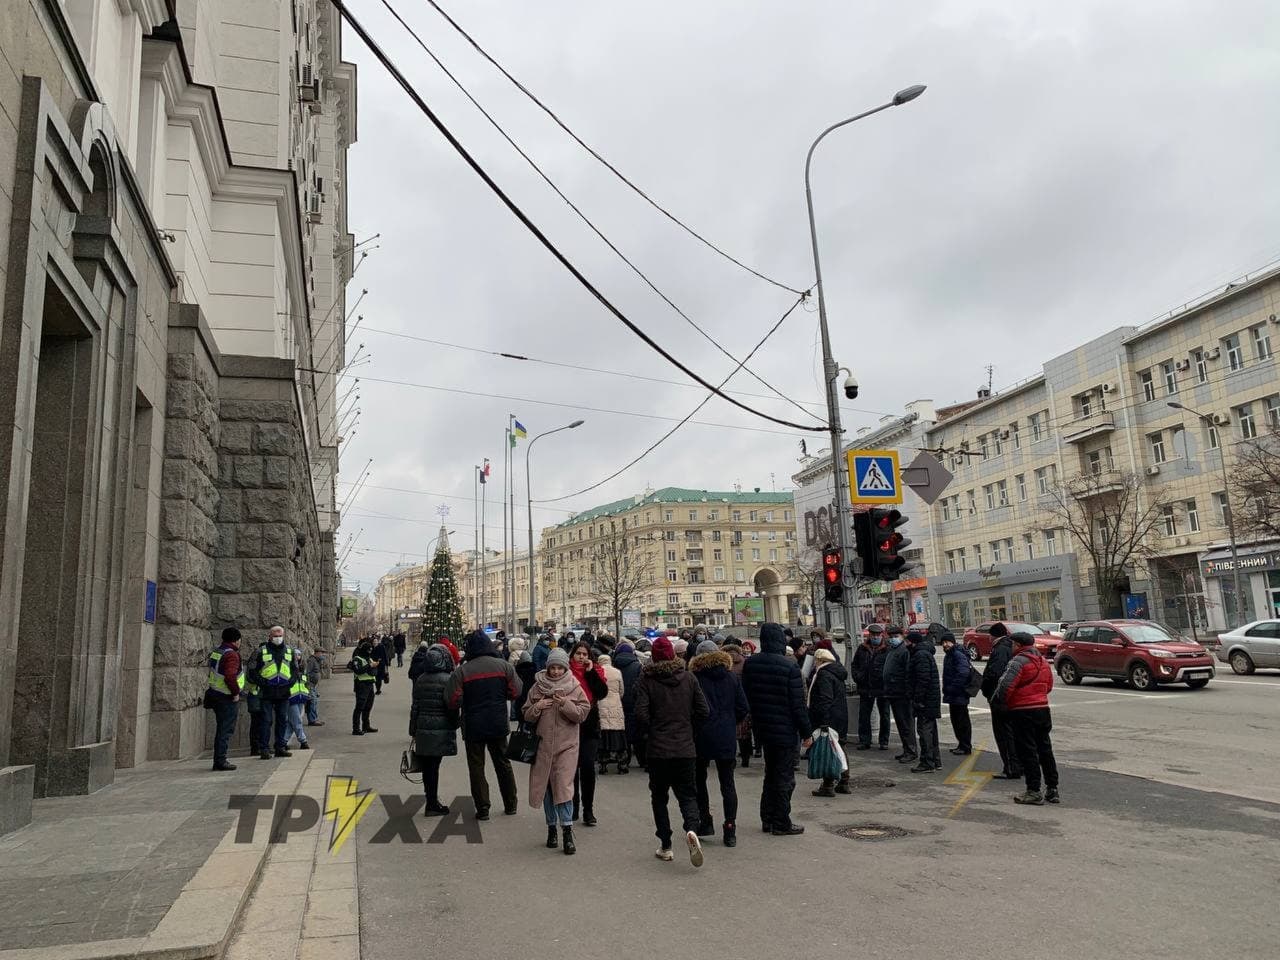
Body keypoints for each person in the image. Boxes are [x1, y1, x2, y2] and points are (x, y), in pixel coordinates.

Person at [635, 636, 710, 866]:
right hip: (685, 748)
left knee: (659, 797)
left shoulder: (647, 679)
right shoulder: (688, 677)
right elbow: (703, 711)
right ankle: (692, 828)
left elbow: (641, 714)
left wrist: (652, 730)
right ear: (673, 655)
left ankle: (666, 844)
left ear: (654, 657)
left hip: (658, 750)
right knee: (688, 794)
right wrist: (689, 729)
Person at [741, 623, 812, 836]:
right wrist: (807, 732)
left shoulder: (751, 664)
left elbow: (747, 696)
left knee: (770, 774)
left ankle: (768, 818)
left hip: (762, 728)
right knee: (784, 777)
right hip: (785, 730)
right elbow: (798, 705)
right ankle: (781, 822)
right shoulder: (789, 667)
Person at [445, 630, 522, 820]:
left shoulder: (462, 671)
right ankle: (511, 804)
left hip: (473, 725)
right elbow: (516, 692)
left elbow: (452, 700)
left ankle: (483, 808)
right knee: (503, 764)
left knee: (476, 767)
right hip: (497, 722)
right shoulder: (504, 666)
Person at [524, 648, 591, 855]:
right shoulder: (537, 687)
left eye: (559, 668)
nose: (555, 671)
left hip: (567, 746)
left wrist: (565, 703)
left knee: (563, 787)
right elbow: (526, 714)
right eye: (552, 667)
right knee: (547, 789)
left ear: (565, 668)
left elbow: (582, 714)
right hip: (543, 747)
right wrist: (538, 706)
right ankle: (551, 828)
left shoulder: (574, 686)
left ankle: (567, 832)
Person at [690, 639, 748, 847]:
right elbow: (742, 707)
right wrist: (730, 722)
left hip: (701, 735)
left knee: (699, 780)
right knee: (728, 783)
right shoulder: (731, 677)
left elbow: (690, 708)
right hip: (725, 734)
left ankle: (705, 820)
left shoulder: (694, 678)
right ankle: (730, 828)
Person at [993, 632, 1059, 804]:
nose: (1011, 647)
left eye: (1012, 644)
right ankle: (1052, 788)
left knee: (1028, 751)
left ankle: (1033, 790)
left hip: (1022, 711)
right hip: (1042, 709)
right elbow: (1048, 686)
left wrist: (1001, 703)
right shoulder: (1043, 661)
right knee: (1045, 749)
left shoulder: (1017, 662)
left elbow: (1005, 686)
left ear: (1018, 645)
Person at [410, 645, 460, 816]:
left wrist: (413, 729)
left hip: (423, 726)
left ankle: (431, 800)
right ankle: (432, 804)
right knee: (434, 766)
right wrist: (455, 723)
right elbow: (452, 706)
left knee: (428, 766)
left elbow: (415, 706)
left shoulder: (421, 679)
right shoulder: (449, 679)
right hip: (441, 727)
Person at [567, 641, 609, 825]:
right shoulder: (566, 672)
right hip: (570, 724)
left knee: (587, 766)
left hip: (590, 724)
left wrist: (591, 672)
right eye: (579, 653)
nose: (582, 657)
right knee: (572, 768)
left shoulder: (596, 671)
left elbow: (601, 693)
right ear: (573, 655)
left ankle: (588, 810)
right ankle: (573, 807)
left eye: (585, 654)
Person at [980, 622, 1023, 780]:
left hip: (999, 698)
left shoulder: (999, 649)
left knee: (1004, 734)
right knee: (1013, 732)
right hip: (1010, 698)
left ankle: (1011, 767)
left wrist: (986, 689)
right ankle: (1019, 765)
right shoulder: (1010, 647)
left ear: (993, 635)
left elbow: (995, 674)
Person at [808, 647, 851, 796]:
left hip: (829, 718)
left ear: (820, 660)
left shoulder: (823, 674)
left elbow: (825, 699)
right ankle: (844, 782)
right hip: (840, 716)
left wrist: (823, 721)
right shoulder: (836, 673)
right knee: (840, 746)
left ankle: (827, 785)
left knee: (828, 749)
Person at [248, 626, 295, 759]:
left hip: (284, 692)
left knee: (282, 720)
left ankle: (280, 747)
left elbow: (295, 670)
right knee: (266, 721)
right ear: (269, 636)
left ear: (283, 636)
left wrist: (290, 683)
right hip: (266, 693)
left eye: (280, 636)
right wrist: (264, 683)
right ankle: (264, 749)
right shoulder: (260, 651)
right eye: (275, 636)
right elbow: (252, 671)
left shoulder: (290, 651)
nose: (278, 638)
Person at [204, 627, 242, 771]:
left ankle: (219, 759)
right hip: (226, 696)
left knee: (221, 728)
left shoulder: (218, 651)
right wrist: (235, 692)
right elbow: (230, 676)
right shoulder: (232, 654)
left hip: (215, 693)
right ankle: (220, 760)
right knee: (225, 730)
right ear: (237, 640)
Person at [905, 628, 941, 772]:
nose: (906, 644)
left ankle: (927, 762)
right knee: (931, 731)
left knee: (925, 731)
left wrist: (918, 699)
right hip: (929, 699)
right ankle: (935, 761)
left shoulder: (920, 655)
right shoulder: (922, 653)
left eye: (907, 641)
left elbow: (922, 679)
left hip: (925, 700)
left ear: (913, 643)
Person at [882, 625, 917, 764]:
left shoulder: (904, 651)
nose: (893, 639)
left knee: (906, 724)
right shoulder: (893, 650)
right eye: (891, 637)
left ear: (902, 637)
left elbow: (907, 673)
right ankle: (906, 749)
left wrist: (906, 690)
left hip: (901, 693)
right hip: (893, 693)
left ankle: (911, 751)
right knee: (901, 724)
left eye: (896, 636)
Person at [854, 624, 891, 751]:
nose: (875, 637)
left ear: (882, 635)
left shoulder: (887, 649)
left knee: (884, 714)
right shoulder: (862, 648)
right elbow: (855, 664)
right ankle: (865, 740)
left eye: (877, 635)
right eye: (873, 635)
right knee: (864, 715)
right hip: (866, 686)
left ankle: (884, 741)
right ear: (869, 635)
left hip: (882, 687)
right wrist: (857, 677)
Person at [595, 654, 628, 775]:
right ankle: (622, 764)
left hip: (601, 704)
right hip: (616, 706)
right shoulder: (617, 672)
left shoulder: (597, 672)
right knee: (619, 736)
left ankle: (603, 764)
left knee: (604, 737)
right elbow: (621, 691)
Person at [722, 639, 753, 768]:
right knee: (744, 731)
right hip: (743, 698)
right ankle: (746, 757)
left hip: (726, 700)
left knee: (729, 732)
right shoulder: (745, 661)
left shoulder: (723, 662)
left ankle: (730, 758)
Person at [941, 631, 973, 755]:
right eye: (943, 643)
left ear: (953, 642)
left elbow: (963, 673)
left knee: (961, 721)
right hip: (954, 695)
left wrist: (953, 688)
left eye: (947, 642)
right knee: (957, 721)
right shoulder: (950, 655)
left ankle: (965, 746)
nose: (945, 645)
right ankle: (962, 744)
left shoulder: (957, 654)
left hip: (959, 694)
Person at [613, 640, 642, 773]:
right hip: (634, 702)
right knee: (637, 732)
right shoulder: (637, 666)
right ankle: (642, 759)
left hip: (618, 703)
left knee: (623, 733)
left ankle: (624, 759)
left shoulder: (614, 666)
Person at [350, 637, 379, 735]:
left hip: (370, 684)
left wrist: (374, 666)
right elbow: (358, 671)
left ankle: (366, 726)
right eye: (368, 650)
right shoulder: (357, 659)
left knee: (368, 706)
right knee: (359, 707)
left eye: (371, 650)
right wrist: (370, 666)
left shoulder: (369, 658)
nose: (370, 652)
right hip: (361, 685)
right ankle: (356, 728)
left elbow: (373, 672)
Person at [285, 645, 311, 750]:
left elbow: (306, 683)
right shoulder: (289, 668)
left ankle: (283, 741)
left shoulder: (303, 669)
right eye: (295, 655)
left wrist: (308, 694)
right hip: (291, 697)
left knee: (292, 722)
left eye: (299, 655)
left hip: (301, 698)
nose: (297, 657)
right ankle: (303, 740)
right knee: (297, 720)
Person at [304, 649, 325, 726]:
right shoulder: (312, 661)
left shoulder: (317, 661)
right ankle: (312, 720)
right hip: (310, 685)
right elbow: (307, 672)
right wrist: (308, 685)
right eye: (321, 653)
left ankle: (314, 719)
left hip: (314, 685)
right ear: (317, 653)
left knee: (314, 702)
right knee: (312, 702)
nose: (322, 655)